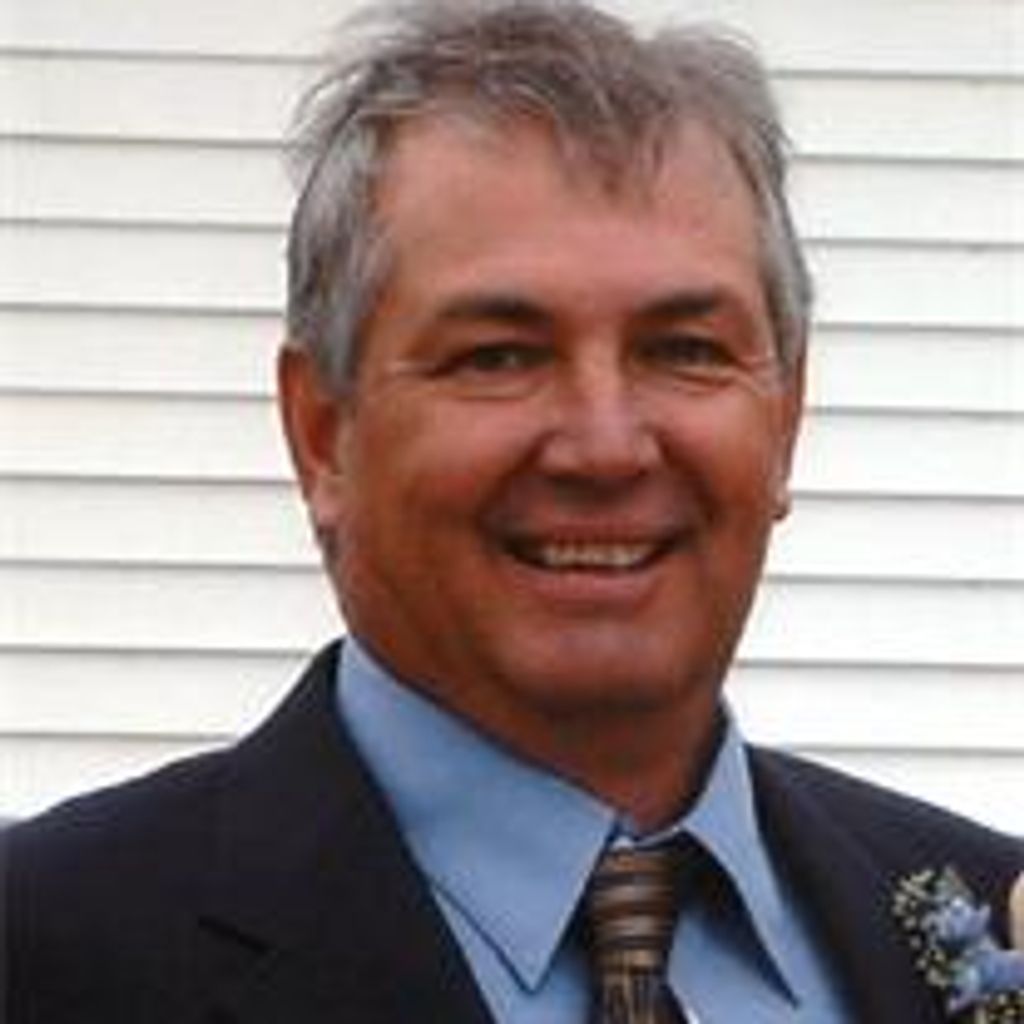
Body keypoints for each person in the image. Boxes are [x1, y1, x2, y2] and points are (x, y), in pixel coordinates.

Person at [6, 2, 1022, 1022]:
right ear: (321, 433)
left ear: (787, 417)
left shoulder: (985, 921)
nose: (605, 446)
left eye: (685, 350)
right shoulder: (43, 953)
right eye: (498, 356)